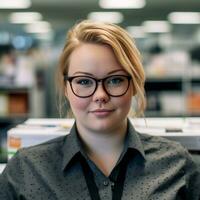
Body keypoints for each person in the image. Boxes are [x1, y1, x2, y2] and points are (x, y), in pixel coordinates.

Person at [0, 20, 199, 200]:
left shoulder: (177, 164)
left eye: (115, 80)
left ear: (134, 85)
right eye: (84, 81)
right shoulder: (26, 169)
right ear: (67, 88)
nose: (100, 95)